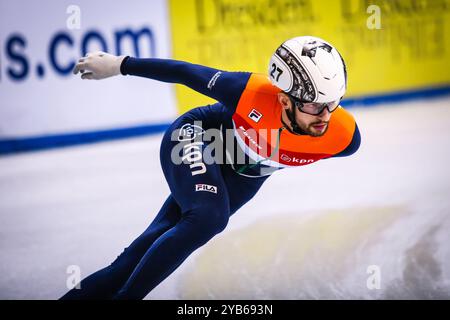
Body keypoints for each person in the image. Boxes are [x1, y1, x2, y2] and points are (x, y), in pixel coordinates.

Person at [61, 36, 361, 300]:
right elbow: (184, 72)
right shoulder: (248, 91)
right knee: (208, 218)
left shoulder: (344, 137)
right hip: (200, 135)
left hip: (243, 175)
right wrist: (119, 64)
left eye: (333, 103)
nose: (324, 116)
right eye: (312, 105)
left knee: (134, 259)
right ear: (284, 99)